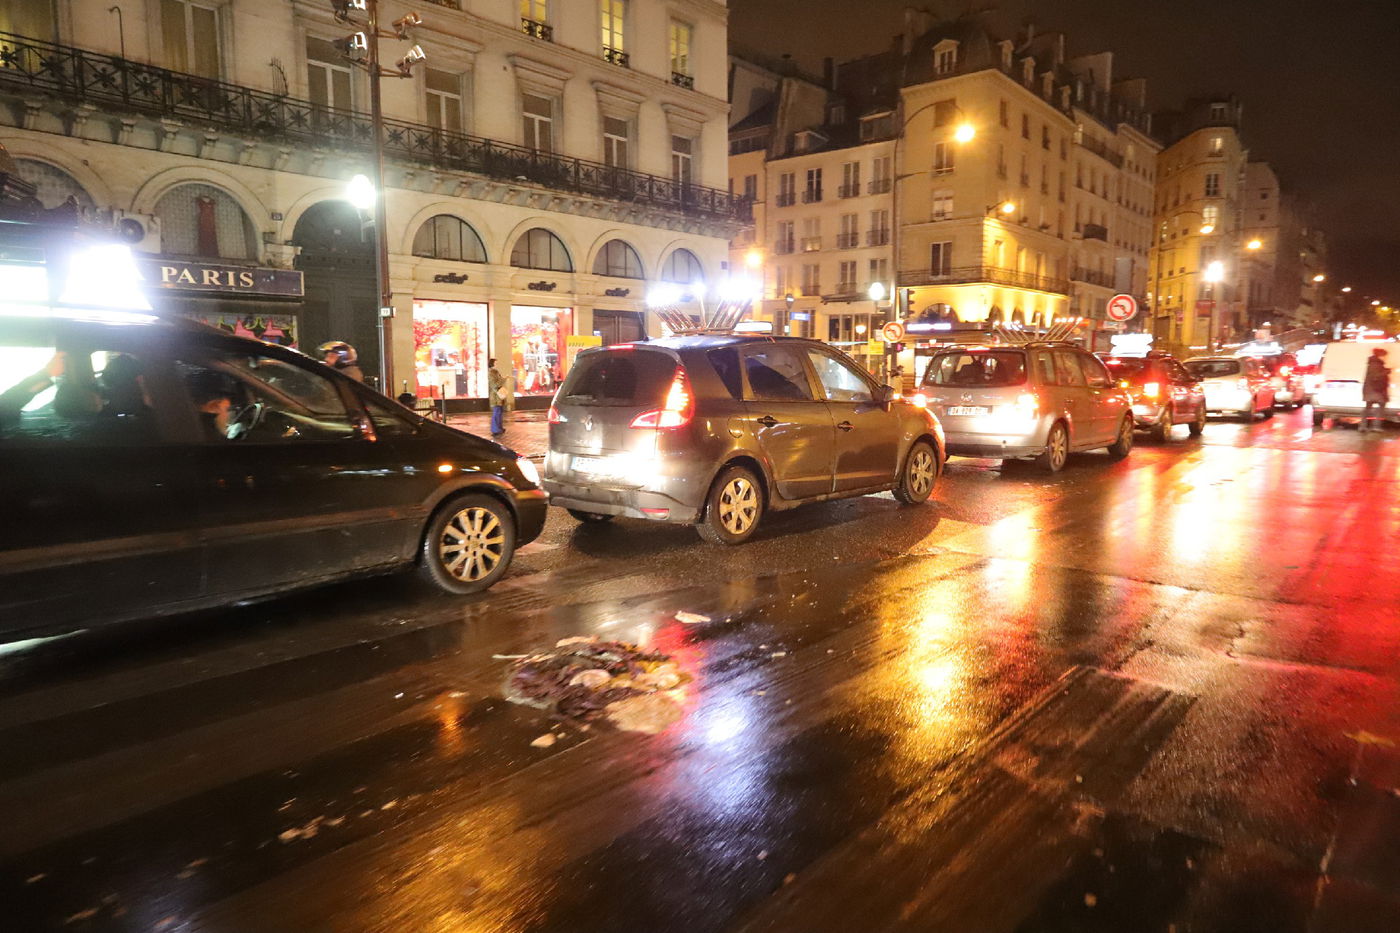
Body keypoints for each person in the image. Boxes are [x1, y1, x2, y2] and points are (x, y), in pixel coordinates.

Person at [1362, 347, 1390, 432]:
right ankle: (1375, 426)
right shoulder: (1376, 364)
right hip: (1377, 390)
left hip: (1370, 390)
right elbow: (1376, 376)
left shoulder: (1372, 363)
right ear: (1380, 355)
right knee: (1380, 407)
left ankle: (1363, 426)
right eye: (1384, 355)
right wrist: (1387, 371)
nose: (1385, 357)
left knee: (1368, 408)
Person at [487, 358, 506, 438]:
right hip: (496, 395)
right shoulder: (491, 373)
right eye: (496, 363)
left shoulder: (496, 372)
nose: (497, 364)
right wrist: (503, 379)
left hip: (499, 394)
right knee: (496, 412)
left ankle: (499, 428)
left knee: (499, 412)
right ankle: (495, 429)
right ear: (492, 364)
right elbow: (494, 385)